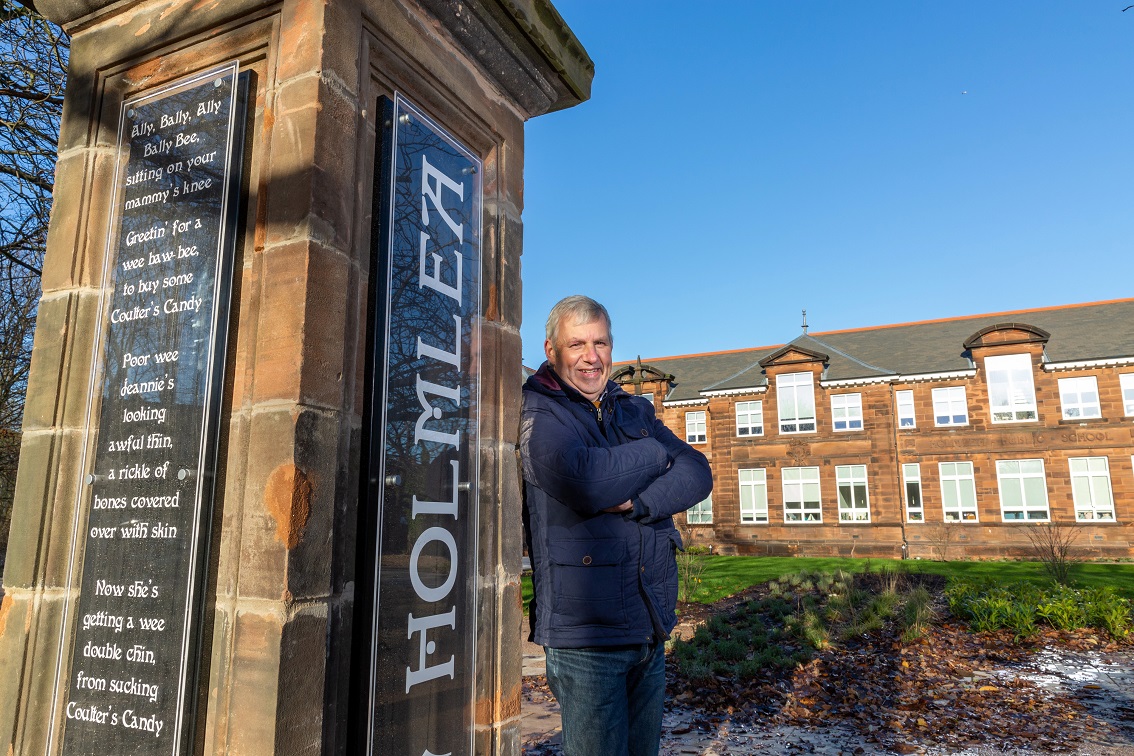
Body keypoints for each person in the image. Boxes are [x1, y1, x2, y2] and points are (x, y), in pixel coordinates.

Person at [519, 295, 713, 756]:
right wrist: (655, 455)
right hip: (587, 637)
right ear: (551, 350)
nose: (591, 356)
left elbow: (699, 472)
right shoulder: (539, 411)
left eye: (600, 343)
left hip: (646, 625)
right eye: (577, 344)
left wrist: (642, 498)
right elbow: (585, 480)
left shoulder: (632, 409)